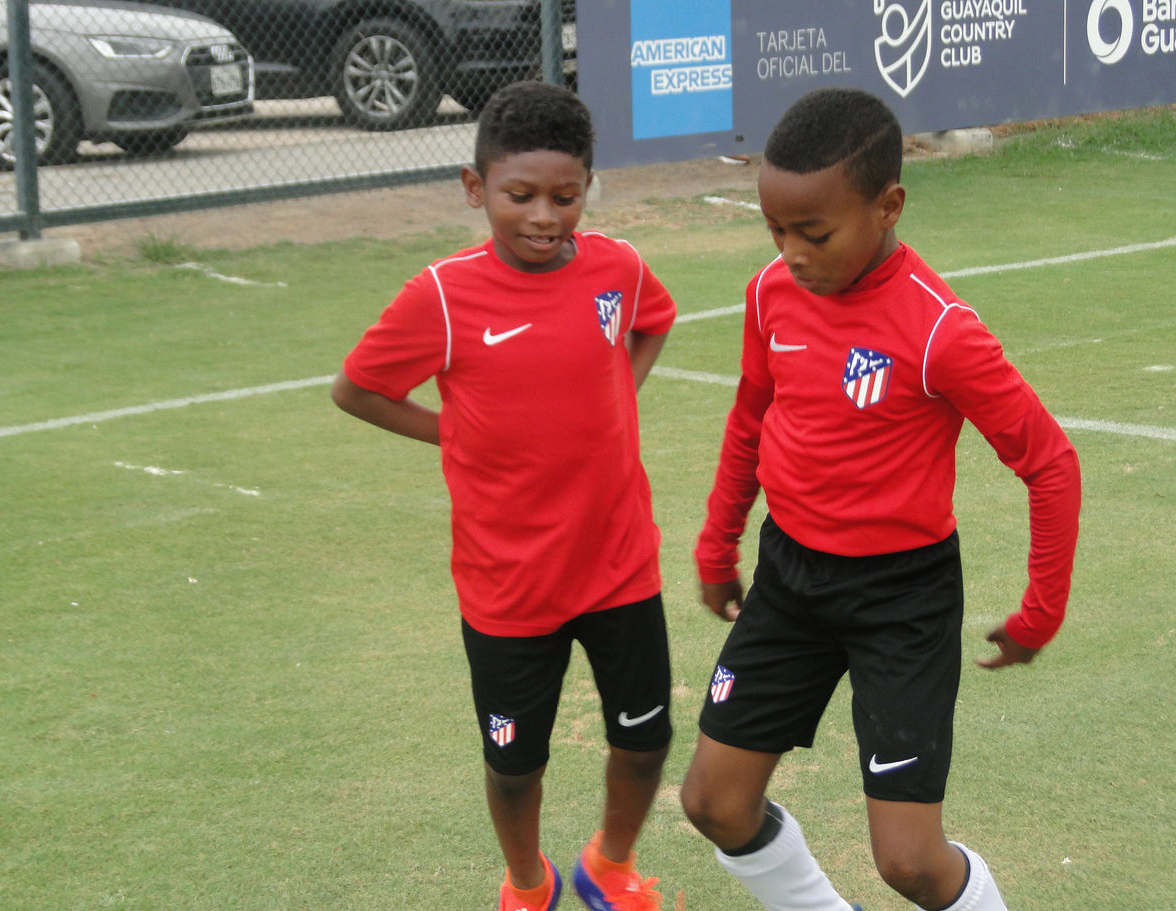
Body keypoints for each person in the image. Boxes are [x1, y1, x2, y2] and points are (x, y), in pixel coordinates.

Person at [679, 87, 1081, 911]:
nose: (790, 252)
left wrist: (1041, 610)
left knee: (908, 862)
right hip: (789, 579)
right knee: (713, 803)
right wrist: (718, 543)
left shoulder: (940, 331)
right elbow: (752, 417)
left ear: (888, 205)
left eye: (813, 232)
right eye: (776, 230)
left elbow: (1051, 462)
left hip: (902, 597)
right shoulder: (770, 295)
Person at [331, 81, 675, 911]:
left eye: (567, 195)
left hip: (621, 562)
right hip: (509, 582)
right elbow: (357, 388)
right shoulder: (443, 296)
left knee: (646, 735)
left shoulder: (617, 268)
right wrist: (453, 434)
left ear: (588, 183)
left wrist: (618, 399)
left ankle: (611, 862)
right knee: (517, 761)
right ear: (475, 187)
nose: (545, 216)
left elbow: (654, 319)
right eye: (520, 196)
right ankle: (528, 882)